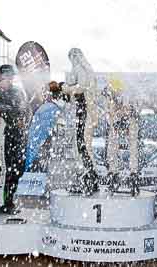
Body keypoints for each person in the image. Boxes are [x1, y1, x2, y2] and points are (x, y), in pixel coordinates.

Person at [0, 64, 31, 214]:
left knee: (17, 169)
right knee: (4, 169)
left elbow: (25, 110)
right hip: (3, 133)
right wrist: (12, 112)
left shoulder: (18, 91)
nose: (8, 79)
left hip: (18, 134)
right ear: (0, 77)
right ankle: (2, 203)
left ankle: (10, 199)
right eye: (5, 76)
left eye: (11, 76)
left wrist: (20, 116)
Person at [64, 48, 100, 195]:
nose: (72, 61)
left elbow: (80, 88)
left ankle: (90, 178)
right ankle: (91, 178)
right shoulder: (84, 69)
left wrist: (66, 88)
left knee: (83, 145)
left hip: (85, 113)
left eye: (73, 57)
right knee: (82, 146)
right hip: (84, 112)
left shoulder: (82, 69)